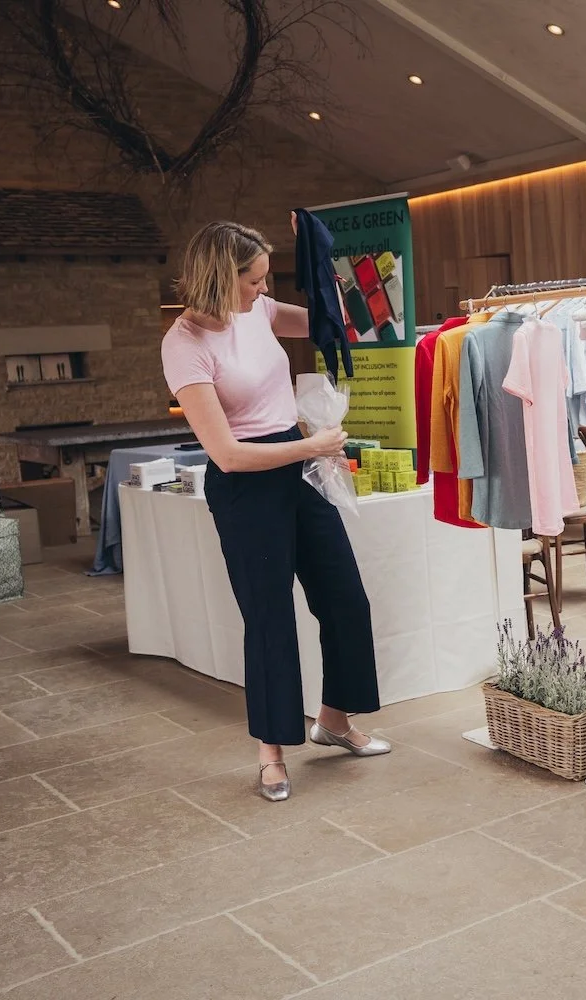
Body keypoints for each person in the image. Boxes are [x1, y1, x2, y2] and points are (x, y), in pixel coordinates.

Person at [162, 219, 389, 804]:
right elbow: (228, 455)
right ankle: (272, 752)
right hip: (247, 486)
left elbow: (338, 324)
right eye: (255, 280)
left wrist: (321, 252)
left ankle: (333, 722)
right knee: (269, 619)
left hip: (300, 467)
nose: (264, 291)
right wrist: (313, 447)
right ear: (222, 277)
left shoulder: (258, 313)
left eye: (267, 279)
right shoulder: (183, 344)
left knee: (344, 598)